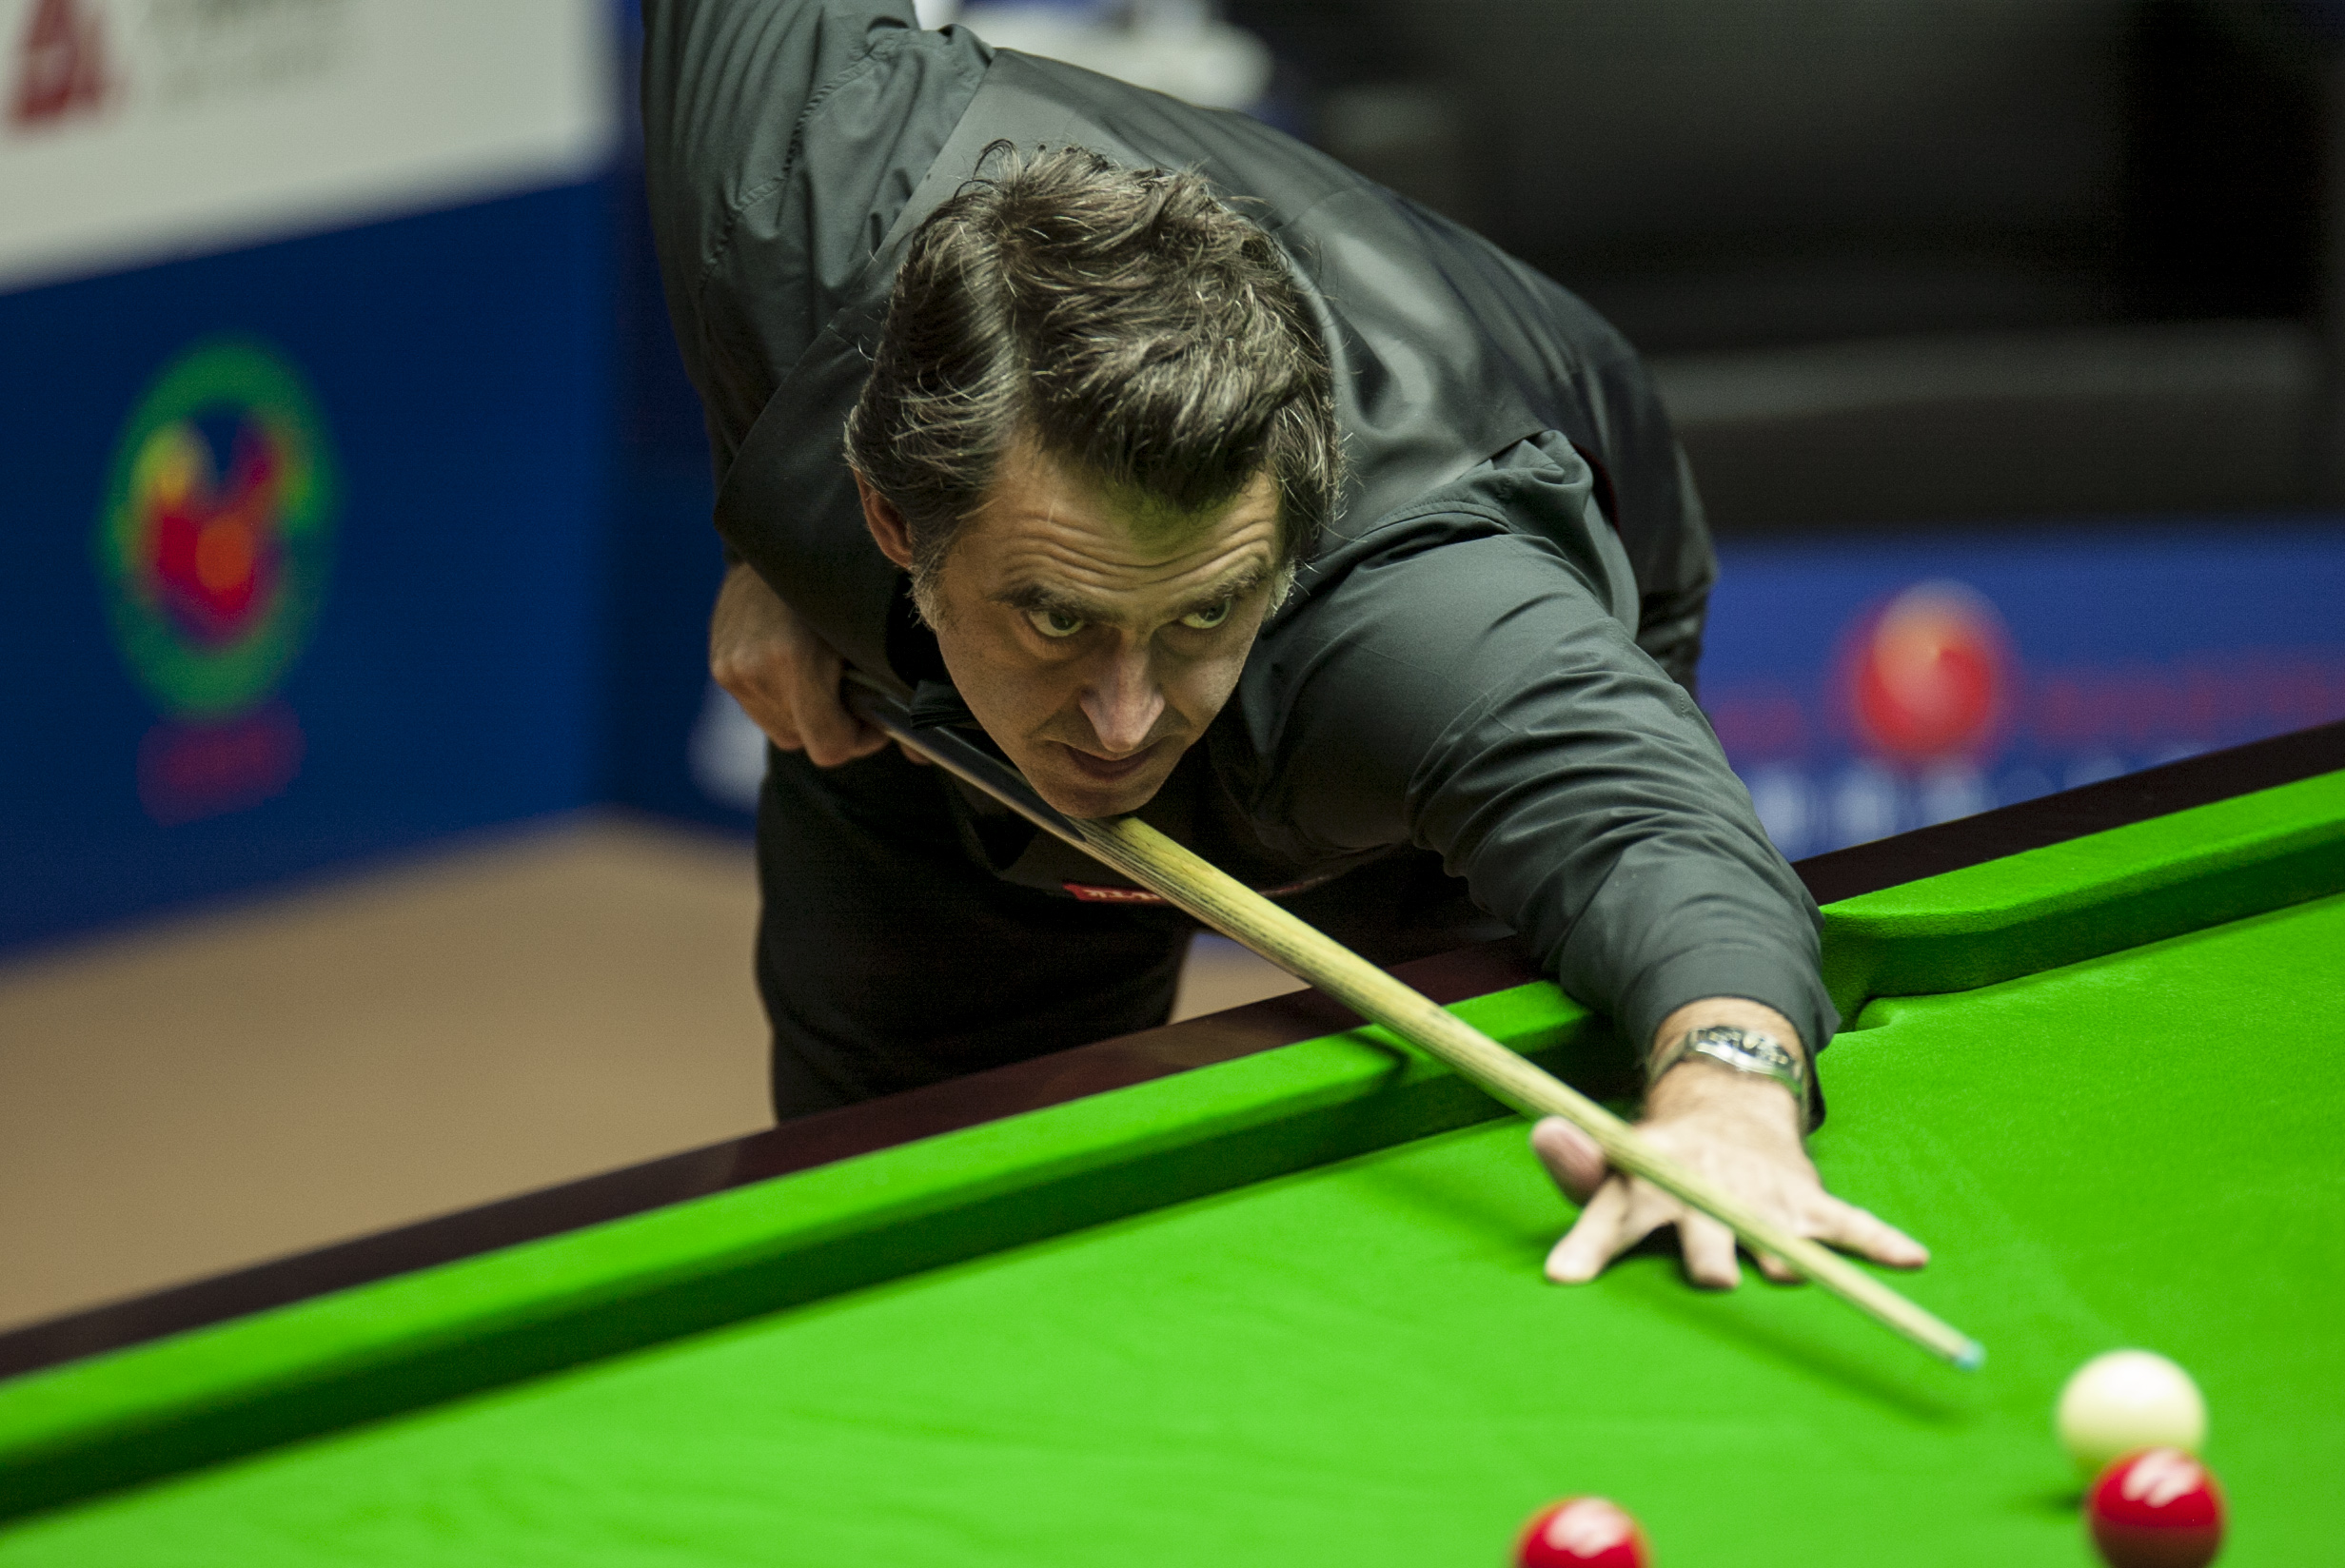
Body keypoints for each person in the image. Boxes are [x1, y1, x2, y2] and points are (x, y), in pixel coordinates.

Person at [640, 0, 1928, 1290]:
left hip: (1426, 619)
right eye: (1059, 615)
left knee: (1480, 1204)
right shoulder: (791, 192)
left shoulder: (1414, 625)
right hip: (926, 648)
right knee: (905, 1212)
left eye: (1200, 611)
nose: (1125, 721)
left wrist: (1727, 1088)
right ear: (892, 516)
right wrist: (780, 539)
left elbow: (1652, 833)